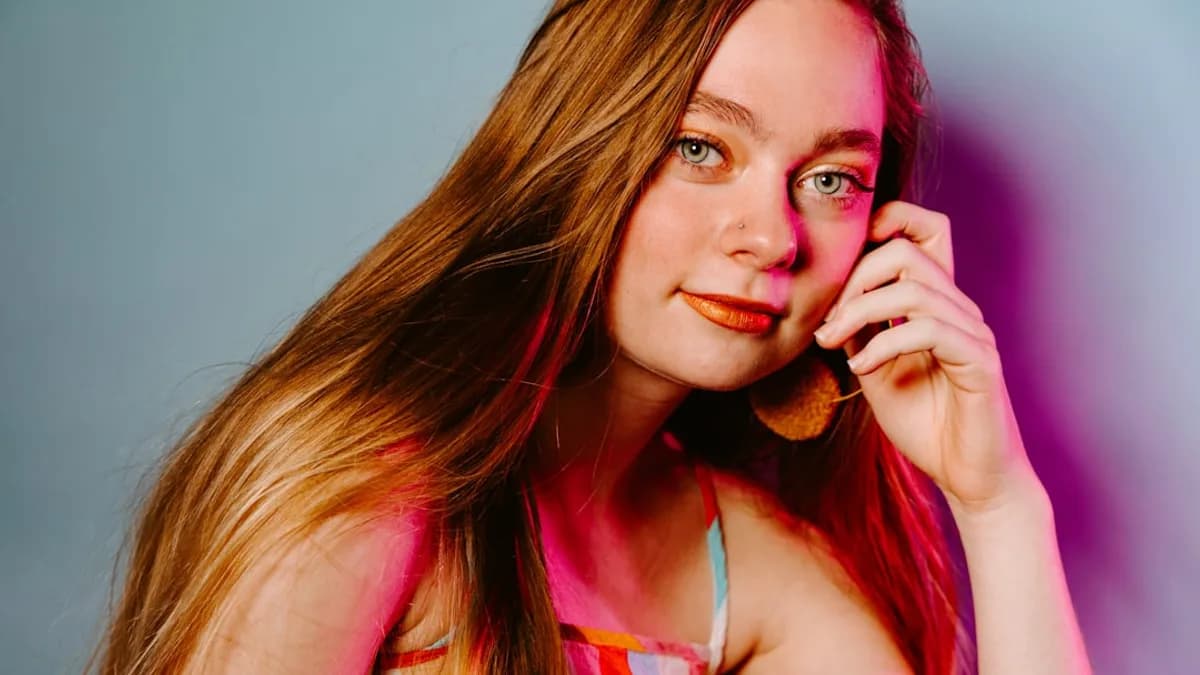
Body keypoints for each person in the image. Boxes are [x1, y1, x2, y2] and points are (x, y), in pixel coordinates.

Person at [92, 0, 1092, 673]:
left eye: (831, 178)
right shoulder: (362, 474)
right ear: (577, 149)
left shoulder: (745, 569)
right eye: (700, 148)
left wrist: (997, 501)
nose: (770, 237)